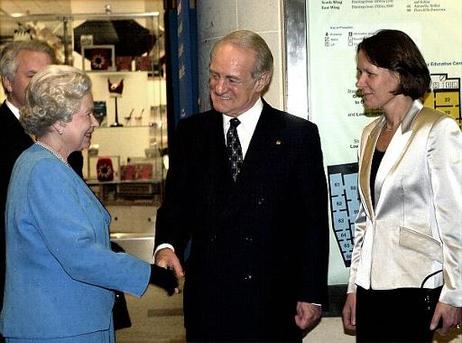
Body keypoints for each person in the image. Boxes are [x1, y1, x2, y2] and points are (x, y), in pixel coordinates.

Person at [154, 30, 329, 342]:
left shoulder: (296, 136)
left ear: (261, 80)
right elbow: (176, 205)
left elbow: (312, 222)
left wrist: (311, 293)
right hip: (210, 303)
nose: (219, 88)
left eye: (232, 79)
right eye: (214, 76)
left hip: (273, 302)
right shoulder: (191, 133)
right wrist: (166, 245)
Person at [0, 65, 177, 342]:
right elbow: (79, 255)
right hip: (59, 328)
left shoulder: (47, 163)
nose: (95, 123)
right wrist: (151, 274)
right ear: (59, 122)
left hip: (69, 321)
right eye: (88, 114)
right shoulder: (43, 171)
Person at [342, 29, 462, 342]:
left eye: (369, 73)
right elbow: (365, 220)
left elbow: (455, 219)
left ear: (398, 75)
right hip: (370, 288)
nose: (360, 83)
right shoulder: (369, 133)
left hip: (417, 284)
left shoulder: (438, 129)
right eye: (359, 73)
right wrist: (354, 286)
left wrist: (454, 294)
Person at [0, 41, 84, 340]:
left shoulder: (69, 132)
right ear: (7, 82)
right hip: (18, 275)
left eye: (46, 75)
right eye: (31, 75)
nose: (40, 84)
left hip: (68, 278)